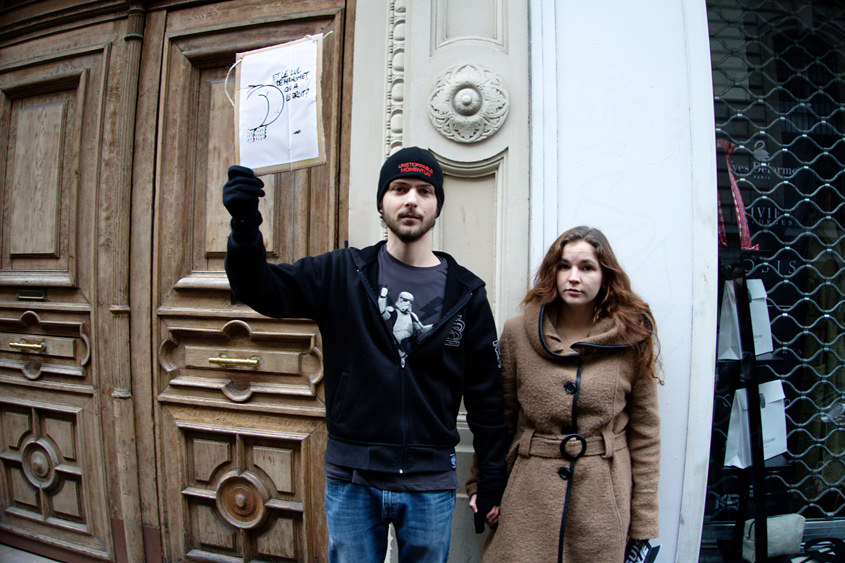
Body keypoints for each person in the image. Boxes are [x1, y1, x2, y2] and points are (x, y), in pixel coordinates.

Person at [222, 146, 507, 562]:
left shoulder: (466, 293)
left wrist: (492, 477)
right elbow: (258, 287)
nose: (411, 199)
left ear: (437, 205)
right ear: (382, 201)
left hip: (429, 483)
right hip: (353, 478)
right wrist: (245, 223)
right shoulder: (341, 273)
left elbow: (487, 396)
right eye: (399, 188)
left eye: (425, 191)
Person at [467, 226, 662, 562]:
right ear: (552, 273)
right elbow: (499, 418)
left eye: (587, 267)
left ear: (605, 275)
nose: (574, 277)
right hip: (528, 496)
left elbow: (645, 434)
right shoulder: (517, 334)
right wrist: (483, 486)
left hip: (602, 501)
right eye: (564, 266)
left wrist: (643, 522)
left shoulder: (632, 338)